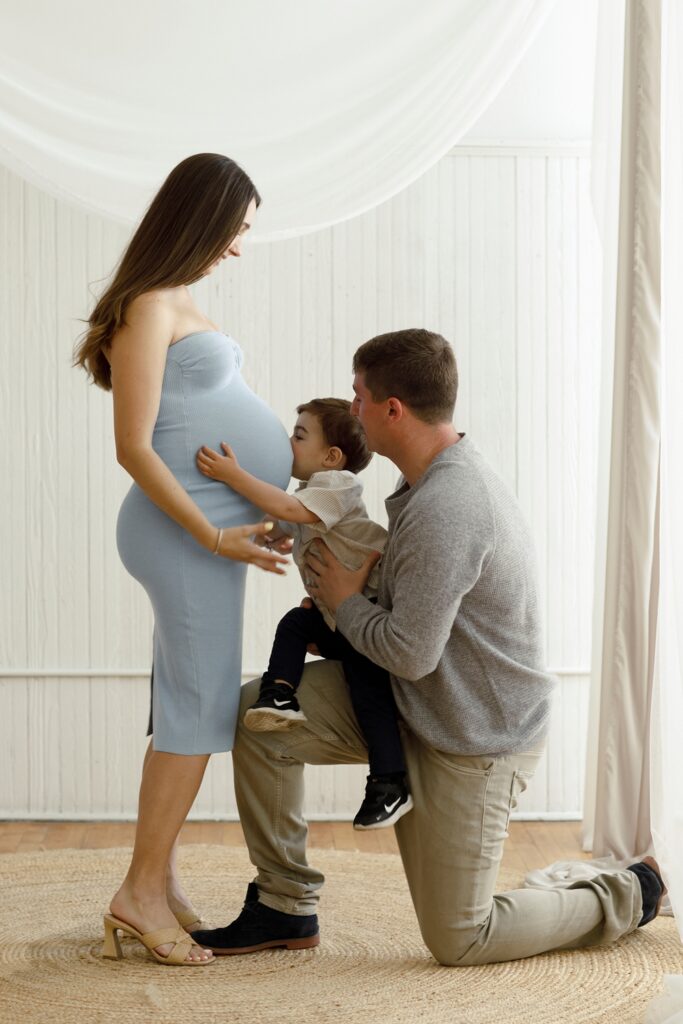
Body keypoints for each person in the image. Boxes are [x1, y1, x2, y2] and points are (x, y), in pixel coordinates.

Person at [192, 328, 667, 962]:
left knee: (461, 937)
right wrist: (341, 605)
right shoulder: (421, 485)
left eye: (359, 396)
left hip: (473, 736)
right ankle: (284, 906)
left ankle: (634, 889)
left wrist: (344, 603)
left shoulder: (449, 504)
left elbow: (410, 652)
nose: (352, 409)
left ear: (393, 409)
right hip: (410, 700)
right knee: (261, 720)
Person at [74, 153, 293, 967]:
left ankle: (157, 883)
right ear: (200, 217)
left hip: (209, 533)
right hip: (183, 535)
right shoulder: (146, 305)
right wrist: (212, 534)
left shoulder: (175, 300)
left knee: (184, 705)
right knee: (198, 707)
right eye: (235, 229)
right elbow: (133, 446)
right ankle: (138, 894)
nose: (238, 247)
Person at [196, 397, 412, 830]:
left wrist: (234, 476)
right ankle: (280, 694)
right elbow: (283, 521)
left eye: (298, 435)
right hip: (336, 617)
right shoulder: (310, 495)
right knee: (295, 625)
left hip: (366, 616)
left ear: (331, 457)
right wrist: (268, 534)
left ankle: (390, 782)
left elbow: (289, 511)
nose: (288, 443)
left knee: (369, 694)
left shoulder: (338, 486)